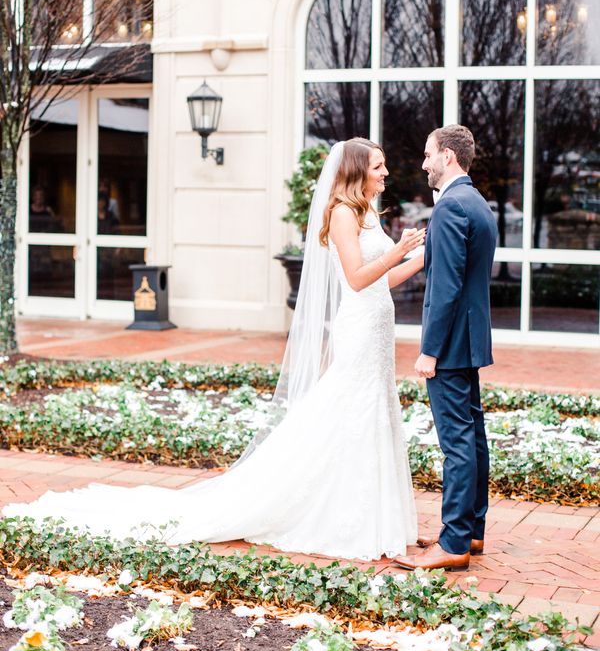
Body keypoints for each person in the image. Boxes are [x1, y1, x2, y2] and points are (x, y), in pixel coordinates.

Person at [5, 139, 426, 561]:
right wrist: (399, 251)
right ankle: (329, 513)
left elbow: (380, 281)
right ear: (355, 171)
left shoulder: (370, 214)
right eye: (378, 166)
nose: (385, 173)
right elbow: (355, 279)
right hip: (358, 330)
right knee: (348, 414)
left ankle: (374, 516)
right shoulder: (341, 214)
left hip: (377, 328)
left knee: (371, 415)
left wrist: (418, 259)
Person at [394, 125, 497, 574]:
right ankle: (471, 530)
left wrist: (429, 350)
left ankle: (453, 541)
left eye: (428, 154)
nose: (423, 163)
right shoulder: (475, 202)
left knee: (456, 443)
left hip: (451, 345)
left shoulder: (453, 205)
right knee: (472, 436)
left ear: (449, 157)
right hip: (469, 340)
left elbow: (447, 287)